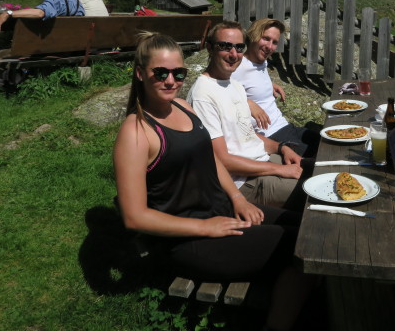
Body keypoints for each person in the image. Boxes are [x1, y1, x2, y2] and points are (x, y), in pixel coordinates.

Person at [114, 31, 314, 331]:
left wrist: (238, 198)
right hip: (190, 239)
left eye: (178, 73)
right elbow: (134, 216)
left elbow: (212, 158)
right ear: (141, 73)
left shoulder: (184, 107)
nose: (171, 81)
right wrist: (204, 227)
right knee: (305, 250)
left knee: (311, 229)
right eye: (161, 73)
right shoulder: (136, 132)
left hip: (221, 209)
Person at [187, 21, 310, 210]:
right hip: (244, 181)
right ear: (210, 48)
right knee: (315, 193)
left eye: (239, 47)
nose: (234, 54)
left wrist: (283, 148)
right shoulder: (202, 95)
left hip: (261, 161)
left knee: (318, 172)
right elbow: (222, 160)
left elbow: (248, 134)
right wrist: (280, 169)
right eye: (225, 46)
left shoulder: (234, 85)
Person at [232, 18, 320, 158]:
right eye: (266, 39)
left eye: (274, 42)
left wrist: (269, 85)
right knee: (321, 158)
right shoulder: (237, 66)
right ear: (254, 36)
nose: (270, 46)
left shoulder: (262, 61)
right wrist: (246, 102)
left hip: (285, 126)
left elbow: (253, 81)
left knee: (328, 142)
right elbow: (218, 91)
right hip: (270, 135)